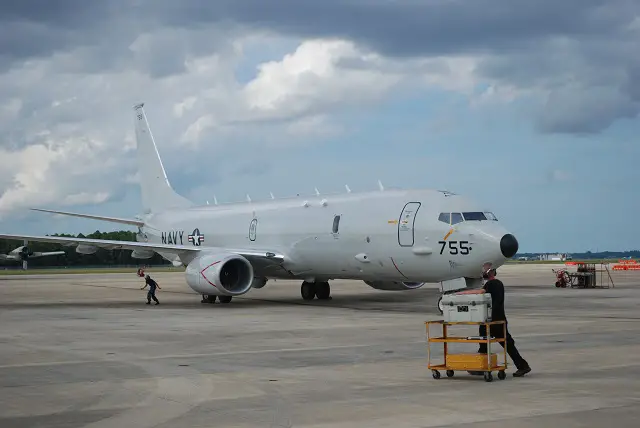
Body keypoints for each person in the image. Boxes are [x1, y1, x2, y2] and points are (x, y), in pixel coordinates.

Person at [459, 263, 531, 377]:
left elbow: (480, 292)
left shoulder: (491, 284)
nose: (483, 273)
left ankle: (482, 367)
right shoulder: (499, 283)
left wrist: (461, 294)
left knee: (485, 341)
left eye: (485, 271)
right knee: (506, 344)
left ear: (489, 273)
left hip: (493, 320)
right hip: (500, 318)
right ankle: (522, 365)